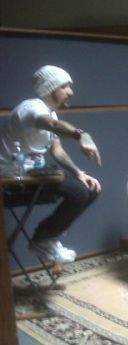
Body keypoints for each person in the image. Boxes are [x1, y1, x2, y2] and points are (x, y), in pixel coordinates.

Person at [0, 65, 102, 264]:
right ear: (50, 88)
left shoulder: (51, 113)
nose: (71, 92)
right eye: (64, 86)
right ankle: (43, 239)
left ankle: (49, 238)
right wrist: (82, 135)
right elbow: (52, 126)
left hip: (35, 174)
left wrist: (78, 172)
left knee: (90, 188)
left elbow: (57, 150)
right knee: (79, 193)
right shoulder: (30, 110)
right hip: (11, 177)